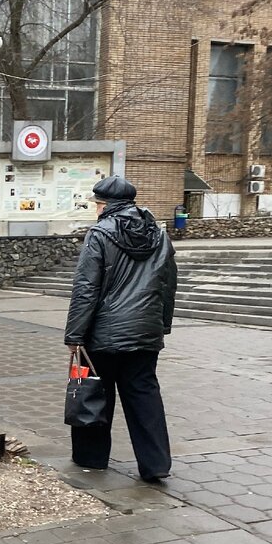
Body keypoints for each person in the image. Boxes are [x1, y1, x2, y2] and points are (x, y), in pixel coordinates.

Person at [64, 175, 177, 483]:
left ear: (104, 204)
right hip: (145, 332)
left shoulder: (99, 234)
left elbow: (86, 288)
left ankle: (92, 458)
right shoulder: (159, 235)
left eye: (96, 205)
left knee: (96, 392)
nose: (95, 210)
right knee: (144, 394)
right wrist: (161, 325)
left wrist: (74, 334)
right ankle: (155, 464)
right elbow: (168, 284)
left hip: (104, 334)